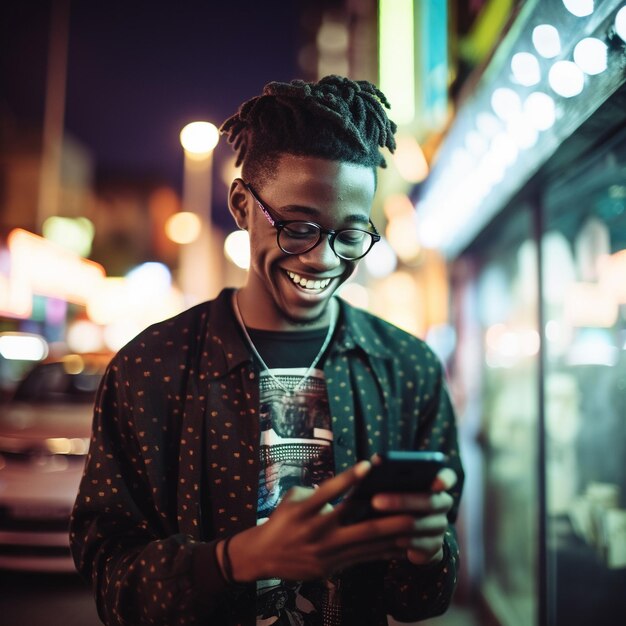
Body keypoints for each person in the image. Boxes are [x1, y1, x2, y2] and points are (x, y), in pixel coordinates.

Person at [70, 75, 464, 626]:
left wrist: (426, 553)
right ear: (241, 205)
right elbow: (113, 584)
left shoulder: (407, 370)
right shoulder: (150, 369)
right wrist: (237, 560)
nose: (324, 260)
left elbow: (421, 601)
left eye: (350, 235)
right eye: (299, 227)